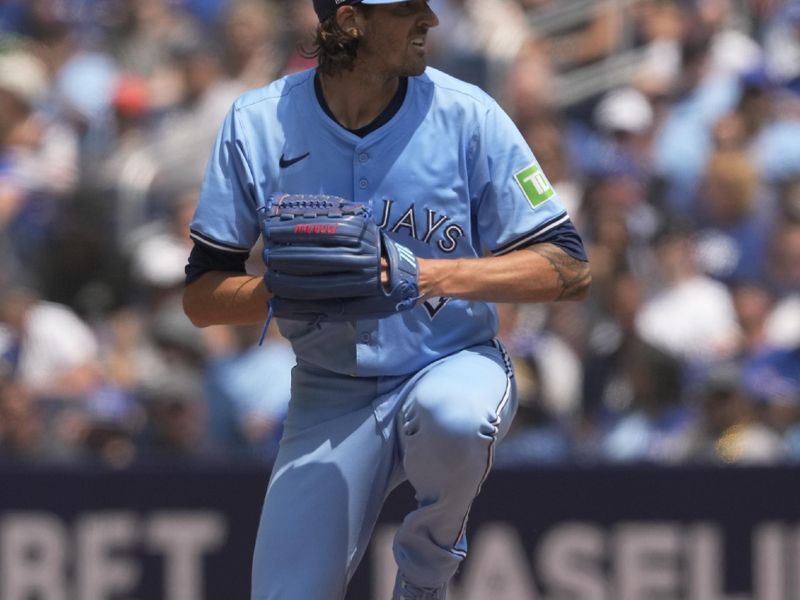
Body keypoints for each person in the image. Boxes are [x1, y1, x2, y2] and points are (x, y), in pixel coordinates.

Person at [182, 1, 591, 598]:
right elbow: (200, 296)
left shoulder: (468, 114)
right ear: (350, 20)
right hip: (330, 391)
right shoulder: (258, 122)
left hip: (450, 361)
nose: (430, 20)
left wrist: (424, 274)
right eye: (407, 9)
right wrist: (290, 288)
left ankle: (424, 578)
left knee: (455, 417)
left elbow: (569, 266)